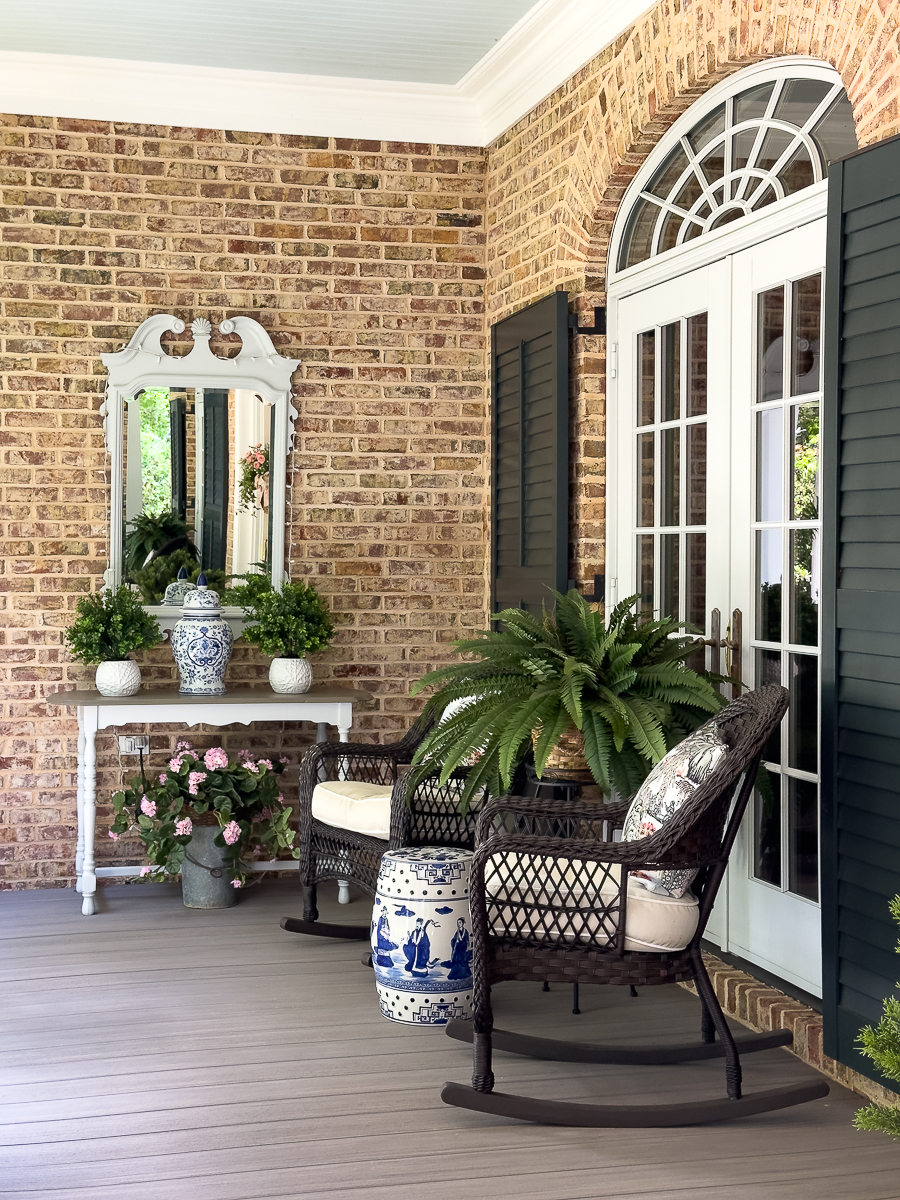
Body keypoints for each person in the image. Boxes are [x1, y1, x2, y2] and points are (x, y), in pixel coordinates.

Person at [444, 916, 471, 980]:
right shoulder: (457, 932)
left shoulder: (465, 931)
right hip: (458, 949)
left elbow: (467, 940)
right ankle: (455, 974)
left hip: (463, 949)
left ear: (463, 923)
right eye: (457, 923)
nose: (458, 924)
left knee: (463, 961)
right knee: (457, 961)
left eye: (460, 922)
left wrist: (466, 945)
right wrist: (454, 941)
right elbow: (454, 939)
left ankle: (464, 974)